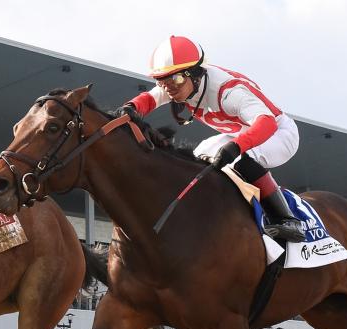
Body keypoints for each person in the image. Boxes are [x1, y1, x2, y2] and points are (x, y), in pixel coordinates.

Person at [122, 36, 305, 242]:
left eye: (174, 80)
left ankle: (287, 220)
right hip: (242, 132)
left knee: (241, 159)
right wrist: (130, 108)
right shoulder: (180, 83)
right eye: (161, 81)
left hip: (278, 133)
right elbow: (150, 98)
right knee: (199, 154)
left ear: (195, 74)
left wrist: (237, 146)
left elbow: (266, 123)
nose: (168, 88)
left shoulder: (229, 91)